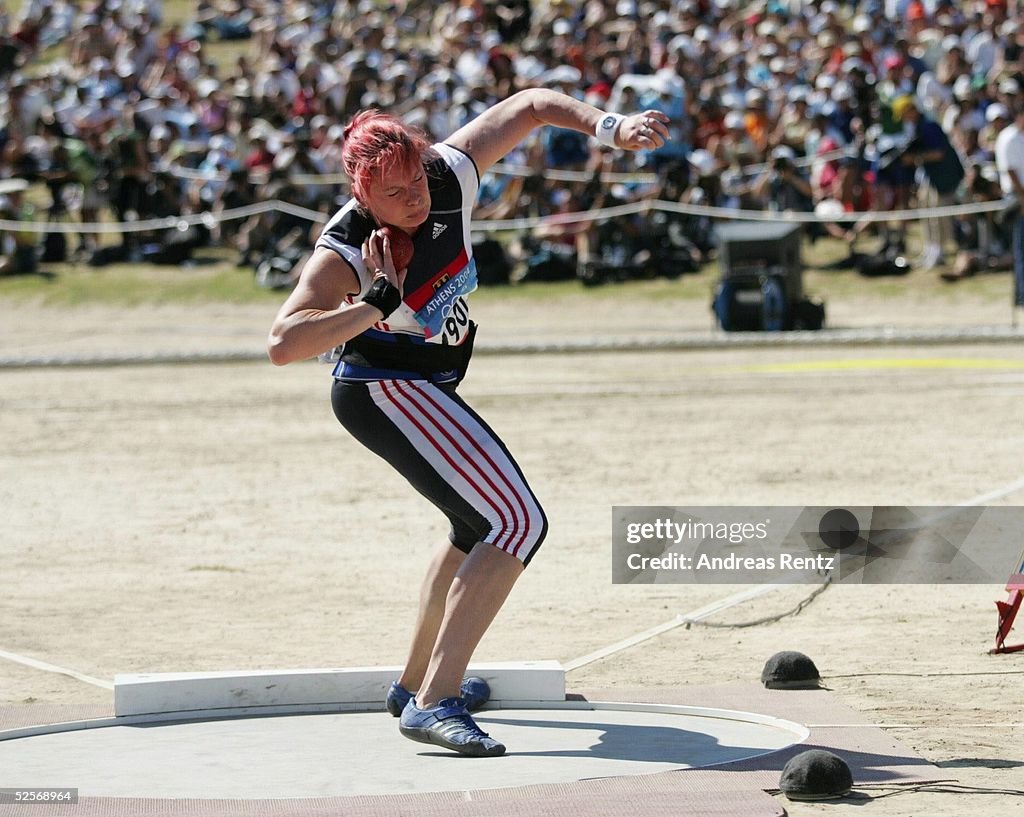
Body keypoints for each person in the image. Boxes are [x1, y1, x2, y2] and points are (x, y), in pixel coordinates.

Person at [267, 90, 668, 757]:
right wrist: (373, 303)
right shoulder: (345, 248)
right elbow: (284, 342)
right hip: (384, 386)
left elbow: (533, 105)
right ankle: (435, 699)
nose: (415, 199)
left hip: (420, 382)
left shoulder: (449, 174)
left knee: (472, 527)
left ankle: (412, 684)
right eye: (395, 193)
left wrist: (610, 127)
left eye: (417, 179)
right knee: (518, 520)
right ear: (364, 197)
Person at [994, 104, 1024, 319]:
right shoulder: (1009, 138)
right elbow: (1011, 173)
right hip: (1017, 200)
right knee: (1020, 249)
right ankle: (1022, 297)